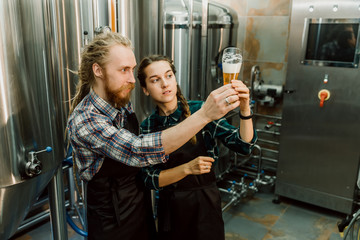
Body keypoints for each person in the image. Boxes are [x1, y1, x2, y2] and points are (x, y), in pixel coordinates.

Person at [67, 32, 242, 240]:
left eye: (132, 70)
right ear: (98, 70)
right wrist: (204, 115)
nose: (132, 80)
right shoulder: (85, 119)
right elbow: (137, 150)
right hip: (111, 222)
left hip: (140, 208)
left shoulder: (119, 102)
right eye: (124, 70)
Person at [137, 55, 257, 240]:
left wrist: (245, 109)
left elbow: (243, 145)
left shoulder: (202, 111)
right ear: (145, 89)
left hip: (205, 205)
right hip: (171, 209)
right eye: (155, 80)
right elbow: (149, 178)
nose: (165, 84)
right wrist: (187, 169)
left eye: (169, 76)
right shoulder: (147, 126)